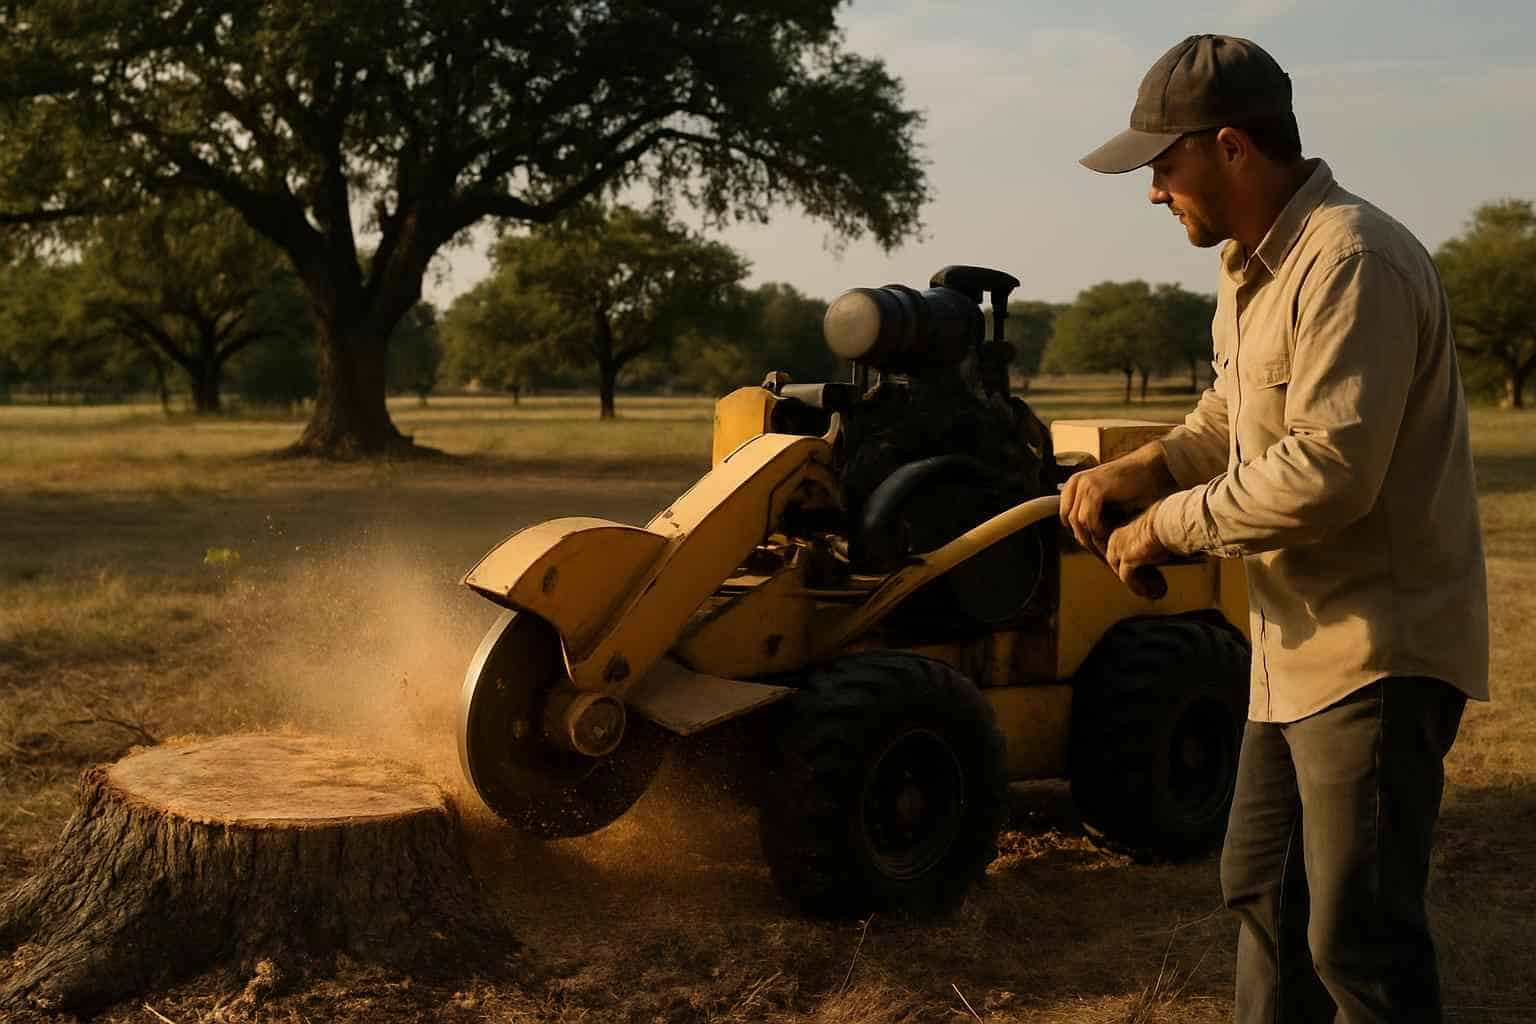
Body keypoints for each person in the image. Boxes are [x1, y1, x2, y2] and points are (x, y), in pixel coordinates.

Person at [1065, 34, 1489, 1024]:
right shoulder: (1252, 265)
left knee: (1357, 940)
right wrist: (1147, 466)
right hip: (1292, 650)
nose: (1153, 192)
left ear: (1231, 147)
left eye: (1163, 166)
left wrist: (1163, 526)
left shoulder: (1352, 260)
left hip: (1375, 654)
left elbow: (1330, 473)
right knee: (1263, 894)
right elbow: (1233, 412)